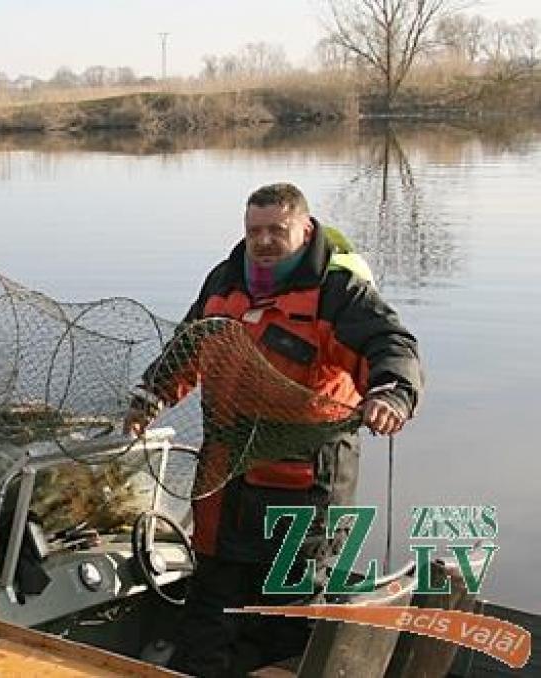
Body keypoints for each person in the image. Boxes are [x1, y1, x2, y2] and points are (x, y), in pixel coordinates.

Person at [124, 183, 423, 676]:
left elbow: (392, 345)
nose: (262, 241)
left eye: (276, 230)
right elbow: (186, 348)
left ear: (306, 229)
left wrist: (392, 393)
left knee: (290, 613)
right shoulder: (224, 280)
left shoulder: (338, 293)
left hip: (304, 486)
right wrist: (150, 397)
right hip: (224, 481)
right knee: (210, 605)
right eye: (254, 230)